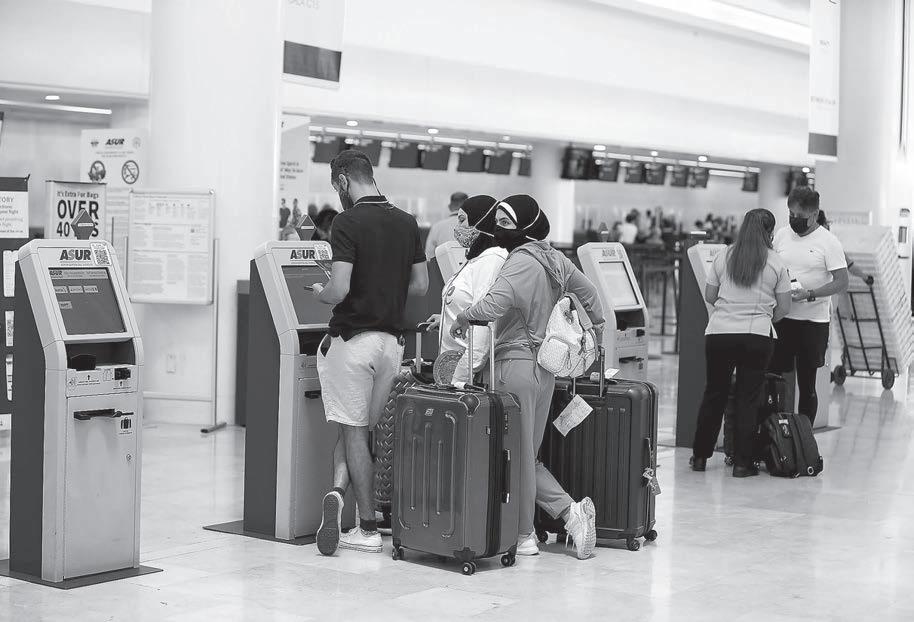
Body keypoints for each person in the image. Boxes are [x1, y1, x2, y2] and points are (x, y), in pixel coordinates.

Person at [450, 195, 605, 560]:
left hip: (514, 365)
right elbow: (591, 295)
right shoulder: (555, 259)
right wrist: (594, 334)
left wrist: (464, 317)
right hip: (545, 368)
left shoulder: (520, 261)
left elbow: (494, 304)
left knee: (514, 456)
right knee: (526, 455)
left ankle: (525, 535)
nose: (499, 229)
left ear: (526, 227)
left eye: (506, 223)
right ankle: (570, 513)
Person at [313, 149, 428, 556]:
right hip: (391, 346)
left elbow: (339, 288)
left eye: (336, 187)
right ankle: (337, 492)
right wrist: (384, 284)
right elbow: (420, 285)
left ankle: (367, 527)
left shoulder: (347, 222)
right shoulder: (407, 221)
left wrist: (321, 292)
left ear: (344, 181)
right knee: (360, 430)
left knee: (353, 431)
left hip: (353, 342)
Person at [690, 209, 792, 477]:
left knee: (715, 394)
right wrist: (764, 316)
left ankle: (699, 457)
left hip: (720, 333)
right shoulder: (776, 262)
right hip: (756, 335)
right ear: (770, 233)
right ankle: (742, 464)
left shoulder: (724, 255)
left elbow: (710, 295)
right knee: (748, 398)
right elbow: (784, 307)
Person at [770, 188, 848, 425]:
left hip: (812, 323)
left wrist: (810, 294)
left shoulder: (828, 242)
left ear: (814, 215)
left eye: (800, 216)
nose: (794, 220)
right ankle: (774, 432)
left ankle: (805, 435)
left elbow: (842, 282)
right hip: (782, 318)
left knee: (807, 383)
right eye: (791, 214)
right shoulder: (782, 235)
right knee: (773, 377)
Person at [425, 195, 507, 384]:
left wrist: (459, 379)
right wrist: (448, 317)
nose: (457, 227)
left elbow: (484, 323)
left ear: (481, 221)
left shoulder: (492, 260)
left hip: (468, 377)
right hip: (456, 369)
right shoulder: (477, 259)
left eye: (462, 220)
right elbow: (471, 303)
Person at [817, 209, 873, 284]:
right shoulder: (830, 244)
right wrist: (866, 278)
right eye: (826, 223)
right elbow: (850, 266)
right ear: (822, 226)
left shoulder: (807, 241)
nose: (828, 225)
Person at [425, 191, 468, 259]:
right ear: (468, 207)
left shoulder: (437, 227)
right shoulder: (475, 226)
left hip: (444, 265)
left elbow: (429, 254)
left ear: (449, 207)